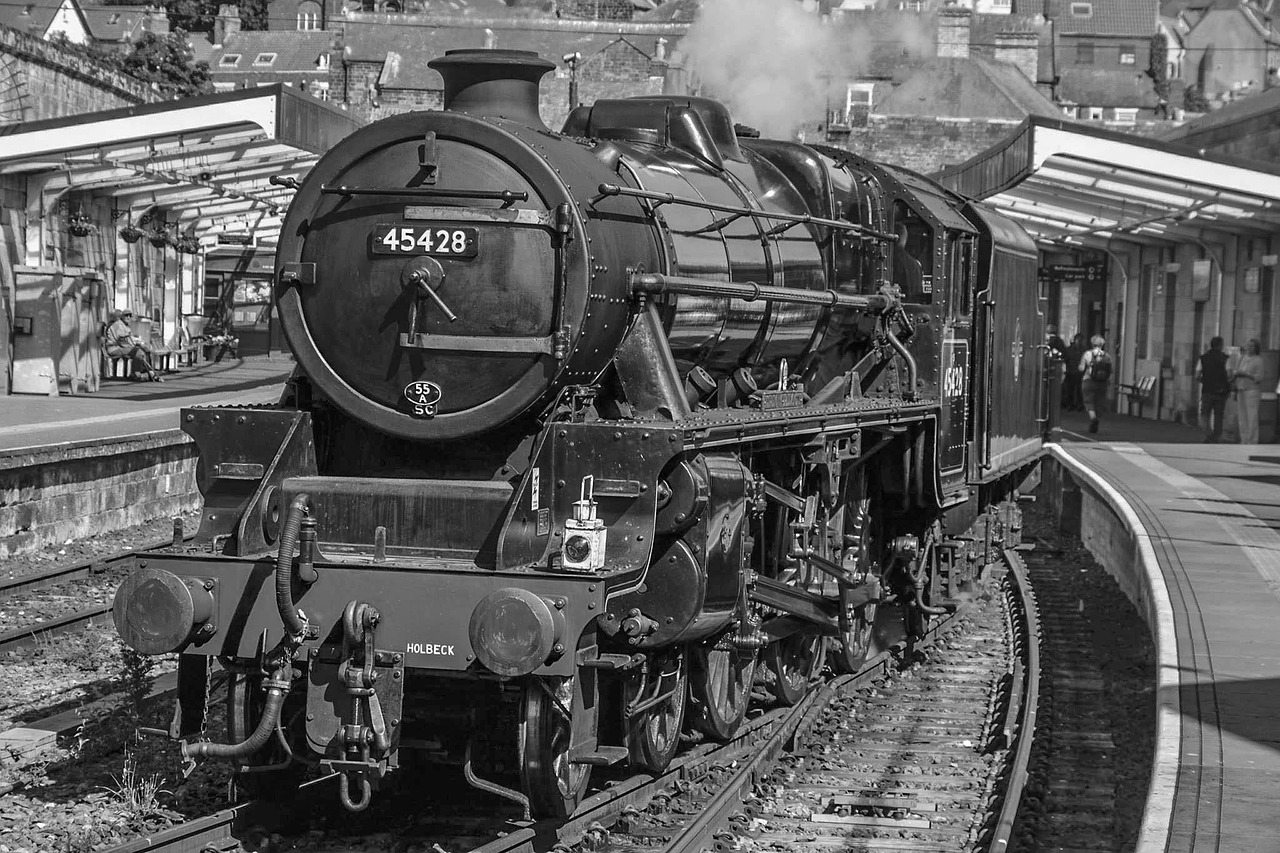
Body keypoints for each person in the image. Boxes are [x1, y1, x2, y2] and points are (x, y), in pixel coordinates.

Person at [104, 309, 163, 382]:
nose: (128, 317)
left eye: (130, 315)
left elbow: (129, 338)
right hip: (114, 348)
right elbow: (121, 340)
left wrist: (139, 343)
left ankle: (148, 372)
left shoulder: (125, 325)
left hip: (121, 347)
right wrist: (134, 346)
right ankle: (135, 374)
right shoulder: (117, 325)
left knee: (145, 349)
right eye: (126, 315)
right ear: (121, 316)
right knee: (137, 352)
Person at [1195, 336, 1232, 443]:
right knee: (1219, 415)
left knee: (1204, 414)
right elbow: (1229, 375)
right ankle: (1217, 436)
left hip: (1207, 390)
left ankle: (1207, 434)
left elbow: (1197, 376)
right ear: (1220, 345)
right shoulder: (1225, 358)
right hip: (1221, 391)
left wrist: (1204, 381)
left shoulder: (1203, 358)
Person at [1078, 335, 1111, 434]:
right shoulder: (1107, 356)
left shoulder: (1088, 354)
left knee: (1088, 401)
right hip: (1102, 382)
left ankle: (1093, 418)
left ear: (1092, 343)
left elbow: (1081, 368)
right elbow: (1111, 370)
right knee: (1100, 402)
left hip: (1088, 381)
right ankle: (1097, 418)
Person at [1233, 338, 1263, 444]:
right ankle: (1244, 439)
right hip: (1241, 388)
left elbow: (1259, 377)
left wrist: (1247, 375)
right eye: (1248, 346)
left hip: (1252, 390)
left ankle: (1252, 440)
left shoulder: (1258, 360)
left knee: (1252, 416)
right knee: (1242, 416)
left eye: (1252, 346)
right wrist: (1236, 374)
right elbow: (1235, 371)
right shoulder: (1242, 358)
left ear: (1256, 348)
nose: (1249, 348)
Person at [1064, 333, 1086, 411]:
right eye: (1079, 340)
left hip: (1077, 372)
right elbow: (1066, 360)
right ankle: (1072, 404)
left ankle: (1078, 405)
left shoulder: (1082, 350)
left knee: (1078, 390)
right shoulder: (1071, 350)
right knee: (1071, 389)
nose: (1080, 342)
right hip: (1072, 371)